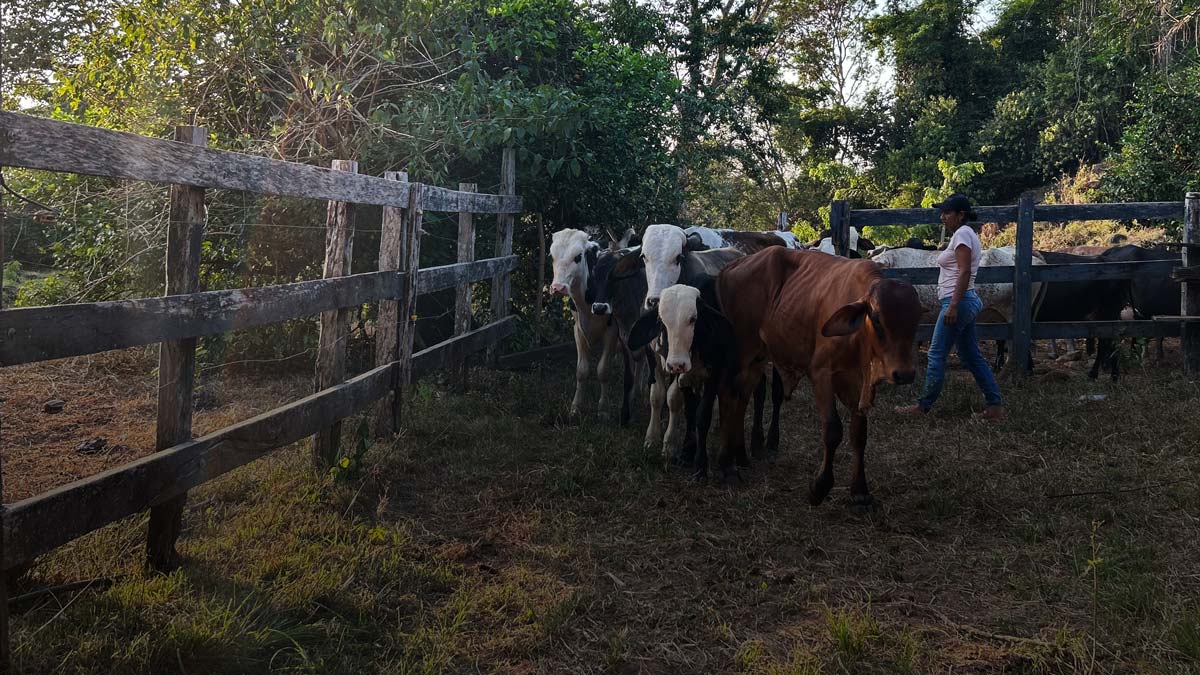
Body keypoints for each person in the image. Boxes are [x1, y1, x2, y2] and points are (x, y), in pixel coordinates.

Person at [895, 193, 1004, 420]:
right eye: (941, 212)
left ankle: (922, 407)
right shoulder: (964, 234)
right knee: (971, 355)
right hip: (965, 299)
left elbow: (964, 272)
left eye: (947, 212)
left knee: (936, 353)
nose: (942, 216)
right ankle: (994, 406)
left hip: (959, 301)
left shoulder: (963, 234)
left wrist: (953, 305)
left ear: (960, 214)